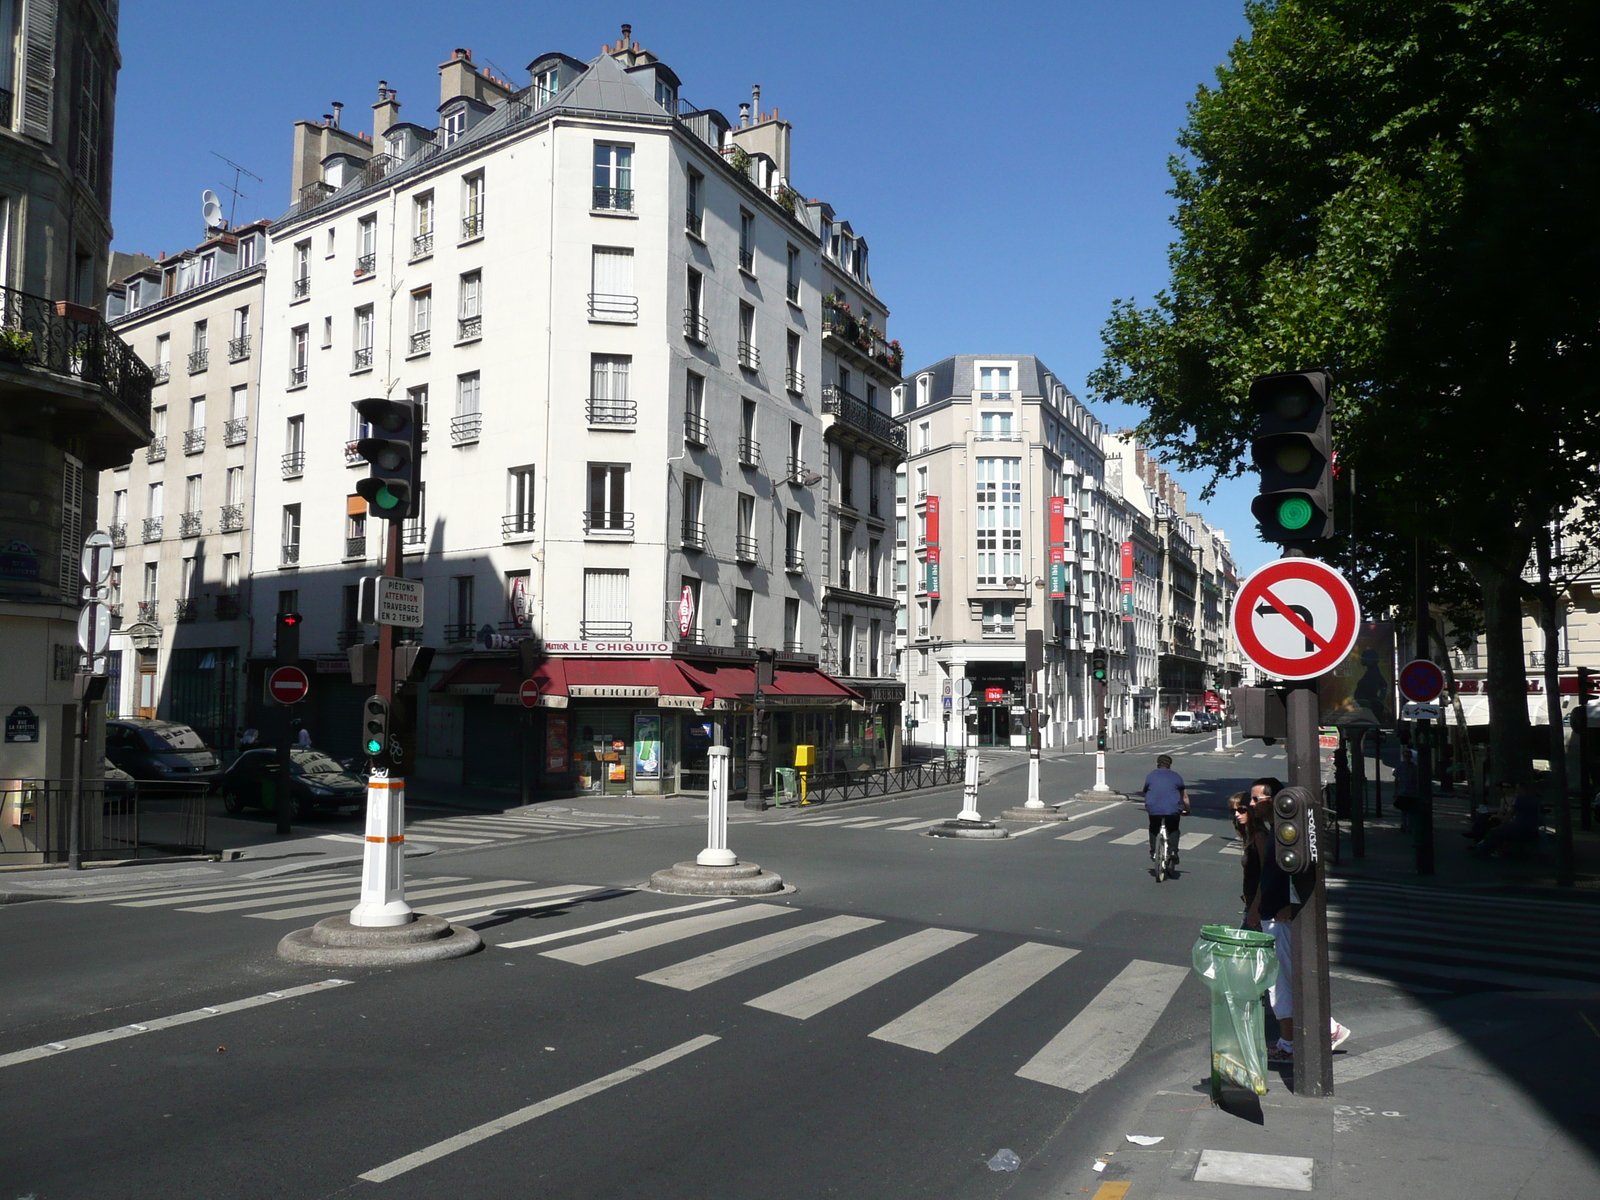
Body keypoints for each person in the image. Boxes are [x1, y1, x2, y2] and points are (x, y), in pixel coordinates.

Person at [1243, 776, 1352, 1063]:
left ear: (1275, 800)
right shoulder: (1277, 830)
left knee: (1286, 979)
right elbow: (1268, 879)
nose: (1251, 804)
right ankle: (1290, 1041)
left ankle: (1327, 1029)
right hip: (1273, 913)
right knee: (1280, 981)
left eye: (1257, 799)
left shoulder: (1285, 832)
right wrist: (1256, 908)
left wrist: (1293, 907)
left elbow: (1303, 873)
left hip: (1280, 916)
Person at [1141, 754, 1189, 867]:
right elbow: (1184, 796)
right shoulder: (1176, 776)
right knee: (1173, 829)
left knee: (1153, 828)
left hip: (1153, 807)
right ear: (1170, 765)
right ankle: (1173, 851)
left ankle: (1153, 853)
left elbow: (1146, 790)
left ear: (1158, 764)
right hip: (1172, 808)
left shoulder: (1151, 775)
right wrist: (1187, 809)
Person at [1476, 781, 1542, 857]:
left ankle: (1484, 850)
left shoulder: (1520, 799)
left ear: (1522, 789)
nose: (1517, 790)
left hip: (1519, 826)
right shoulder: (1535, 800)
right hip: (1532, 827)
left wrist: (1502, 824)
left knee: (1495, 831)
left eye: (1518, 788)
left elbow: (1510, 813)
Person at [1392, 748, 1418, 832]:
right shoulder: (1400, 766)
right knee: (1404, 810)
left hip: (1412, 792)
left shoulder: (1414, 767)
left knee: (1411, 810)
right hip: (1403, 791)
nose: (1407, 757)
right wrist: (1396, 791)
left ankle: (1410, 826)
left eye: (1408, 756)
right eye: (1405, 756)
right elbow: (1396, 779)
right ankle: (1404, 825)